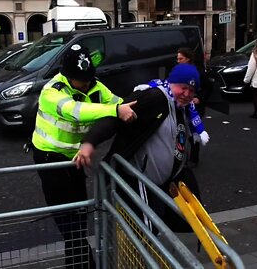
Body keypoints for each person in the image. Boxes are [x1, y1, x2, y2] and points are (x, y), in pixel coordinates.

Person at [31, 44, 137, 268]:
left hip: (76, 159)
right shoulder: (52, 91)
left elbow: (118, 102)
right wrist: (115, 111)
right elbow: (75, 111)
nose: (87, 83)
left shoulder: (96, 87)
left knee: (79, 219)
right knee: (69, 225)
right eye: (81, 79)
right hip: (50, 158)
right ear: (67, 75)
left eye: (89, 78)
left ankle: (79, 265)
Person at [74, 63, 208, 233]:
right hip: (140, 180)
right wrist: (89, 143)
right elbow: (115, 117)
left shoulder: (181, 107)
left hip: (161, 184)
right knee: (145, 231)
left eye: (192, 91)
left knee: (158, 228)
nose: (187, 94)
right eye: (183, 88)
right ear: (172, 82)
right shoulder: (154, 97)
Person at [176, 47, 212, 166]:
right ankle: (182, 157)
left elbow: (208, 86)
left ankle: (194, 158)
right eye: (177, 58)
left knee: (193, 131)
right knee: (181, 130)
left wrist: (199, 98)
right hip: (182, 105)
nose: (178, 61)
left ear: (188, 59)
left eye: (181, 58)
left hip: (195, 107)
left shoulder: (197, 71)